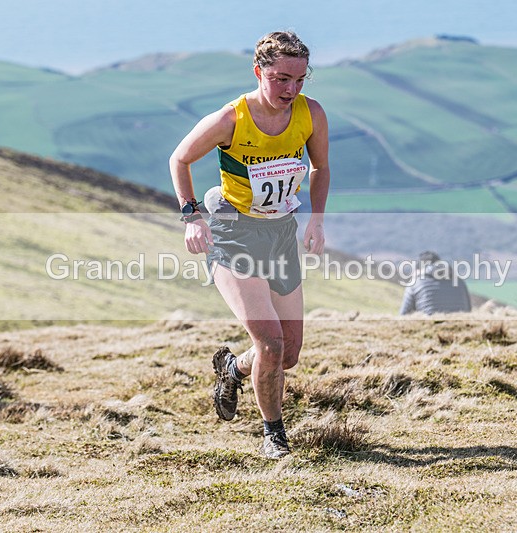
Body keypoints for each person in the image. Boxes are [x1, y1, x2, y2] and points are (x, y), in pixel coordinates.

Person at [169, 31, 329, 459]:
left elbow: (321, 167)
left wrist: (317, 219)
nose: (290, 89)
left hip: (280, 233)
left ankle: (232, 367)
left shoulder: (310, 114)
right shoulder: (231, 119)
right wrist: (191, 217)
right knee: (271, 345)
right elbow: (180, 159)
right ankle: (274, 437)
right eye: (280, 78)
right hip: (234, 232)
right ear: (258, 71)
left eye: (299, 79)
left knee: (288, 353)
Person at [399, 251, 472, 315]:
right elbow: (469, 310)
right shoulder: (460, 282)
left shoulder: (416, 283)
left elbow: (403, 316)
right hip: (461, 327)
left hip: (429, 328)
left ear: (419, 269)